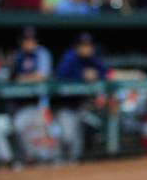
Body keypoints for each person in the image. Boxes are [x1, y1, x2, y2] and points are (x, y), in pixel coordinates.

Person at [54, 32, 108, 162]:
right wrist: (81, 75)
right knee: (67, 136)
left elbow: (105, 73)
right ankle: (59, 161)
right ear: (77, 47)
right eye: (83, 45)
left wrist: (96, 75)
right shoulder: (70, 57)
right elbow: (60, 76)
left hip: (80, 105)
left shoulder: (92, 58)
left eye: (88, 45)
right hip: (64, 105)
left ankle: (73, 165)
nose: (86, 48)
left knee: (77, 141)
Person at [10, 27, 60, 164]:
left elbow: (41, 76)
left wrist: (23, 79)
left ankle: (52, 159)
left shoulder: (42, 53)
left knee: (48, 130)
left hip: (42, 102)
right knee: (19, 127)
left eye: (32, 40)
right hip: (23, 104)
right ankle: (27, 159)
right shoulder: (18, 56)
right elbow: (12, 78)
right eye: (26, 40)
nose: (29, 43)